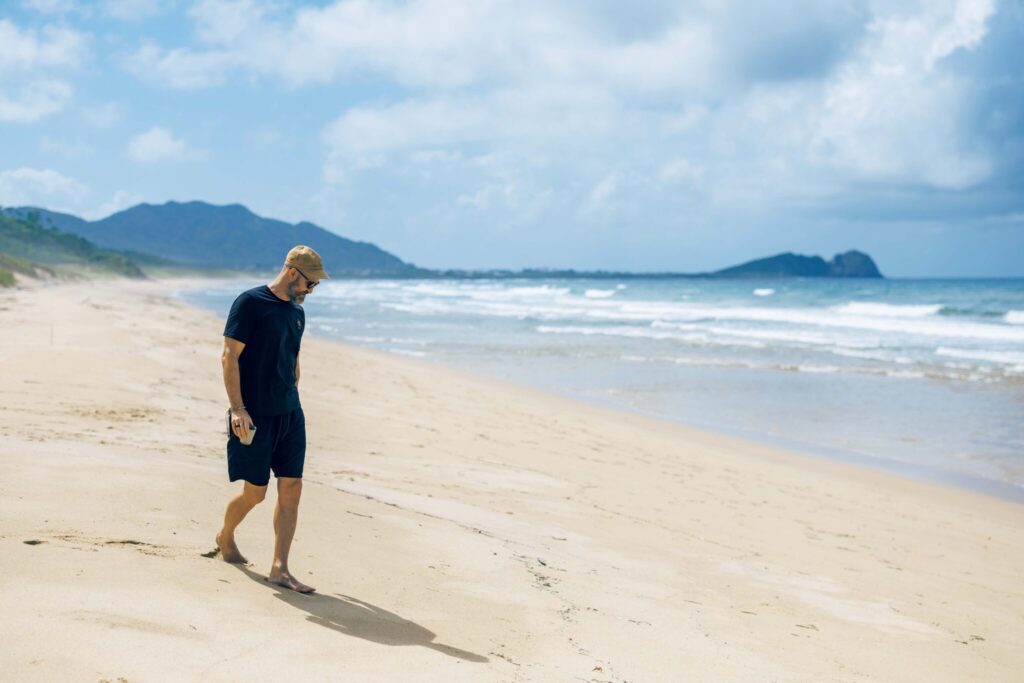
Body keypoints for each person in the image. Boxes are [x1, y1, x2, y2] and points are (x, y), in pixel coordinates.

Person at [214, 245, 329, 593]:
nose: (312, 291)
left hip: (291, 413)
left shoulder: (297, 313)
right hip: (254, 414)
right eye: (311, 284)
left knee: (292, 487)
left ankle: (280, 567)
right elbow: (229, 356)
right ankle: (225, 535)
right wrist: (238, 409)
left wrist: (293, 388)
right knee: (256, 493)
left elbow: (292, 358)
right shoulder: (250, 303)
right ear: (293, 273)